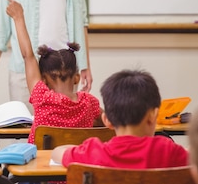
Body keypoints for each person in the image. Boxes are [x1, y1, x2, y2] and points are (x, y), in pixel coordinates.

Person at [6, 0, 101, 184]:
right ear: (77, 77)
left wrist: (19, 18)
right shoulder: (91, 104)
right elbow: (107, 124)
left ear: (45, 82)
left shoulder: (42, 97)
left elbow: (28, 56)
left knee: (14, 182)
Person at [51, 69, 188, 169]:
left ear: (107, 120)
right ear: (153, 115)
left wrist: (78, 148)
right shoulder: (167, 151)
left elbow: (57, 153)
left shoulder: (93, 152)